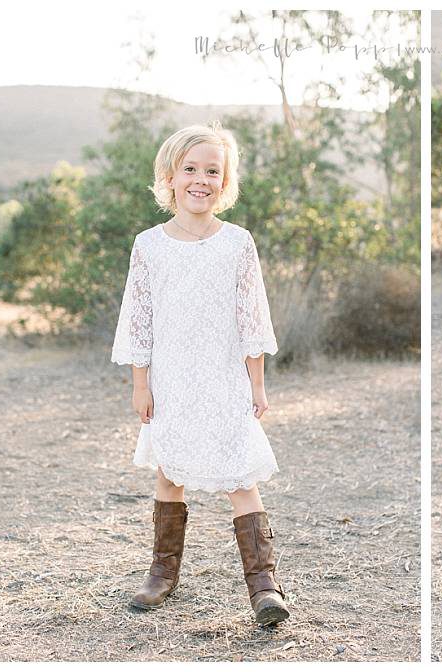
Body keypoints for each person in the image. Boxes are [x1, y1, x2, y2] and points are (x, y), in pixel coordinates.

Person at [111, 121, 290, 626]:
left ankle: (264, 586)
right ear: (170, 177)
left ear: (225, 182)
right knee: (170, 472)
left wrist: (256, 381)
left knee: (241, 474)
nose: (201, 179)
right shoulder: (149, 245)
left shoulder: (237, 243)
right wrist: (141, 385)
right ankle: (162, 574)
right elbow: (139, 320)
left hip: (223, 374)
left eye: (213, 171)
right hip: (172, 377)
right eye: (190, 169)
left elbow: (251, 317)